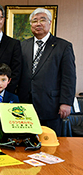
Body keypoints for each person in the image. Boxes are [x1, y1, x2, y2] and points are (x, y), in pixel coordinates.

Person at [17, 8, 76, 136]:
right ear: (31, 25)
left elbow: (69, 77)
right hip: (25, 106)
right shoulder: (22, 45)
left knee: (49, 145)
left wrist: (66, 102)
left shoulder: (63, 46)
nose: (38, 24)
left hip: (51, 106)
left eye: (42, 20)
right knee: (25, 144)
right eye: (34, 21)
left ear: (50, 23)